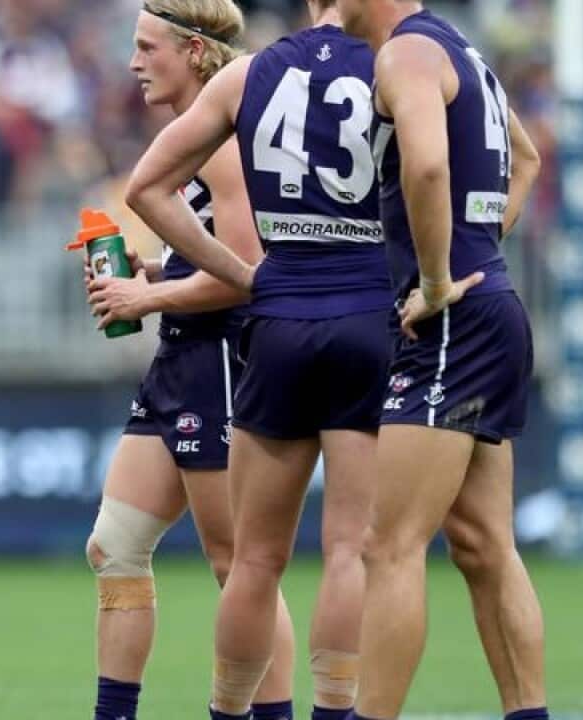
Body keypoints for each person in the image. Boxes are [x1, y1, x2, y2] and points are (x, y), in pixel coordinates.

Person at [125, 2, 396, 718]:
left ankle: (229, 713)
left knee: (251, 560)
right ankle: (334, 712)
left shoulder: (250, 73)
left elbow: (145, 188)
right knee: (349, 550)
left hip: (278, 322)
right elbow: (437, 174)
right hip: (367, 314)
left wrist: (248, 278)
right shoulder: (398, 64)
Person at [81, 3, 295, 720]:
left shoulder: (227, 138)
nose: (134, 61)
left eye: (148, 47)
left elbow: (245, 271)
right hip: (181, 358)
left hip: (225, 361)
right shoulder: (199, 128)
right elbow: (209, 249)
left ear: (196, 52)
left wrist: (147, 298)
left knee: (242, 568)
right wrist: (154, 266)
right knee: (115, 547)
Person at [335, 2, 547, 719]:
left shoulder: (406, 55)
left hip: (452, 319)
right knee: (486, 546)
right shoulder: (465, 54)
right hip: (492, 308)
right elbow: (528, 159)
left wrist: (435, 280)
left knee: (387, 545)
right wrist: (481, 250)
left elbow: (426, 164)